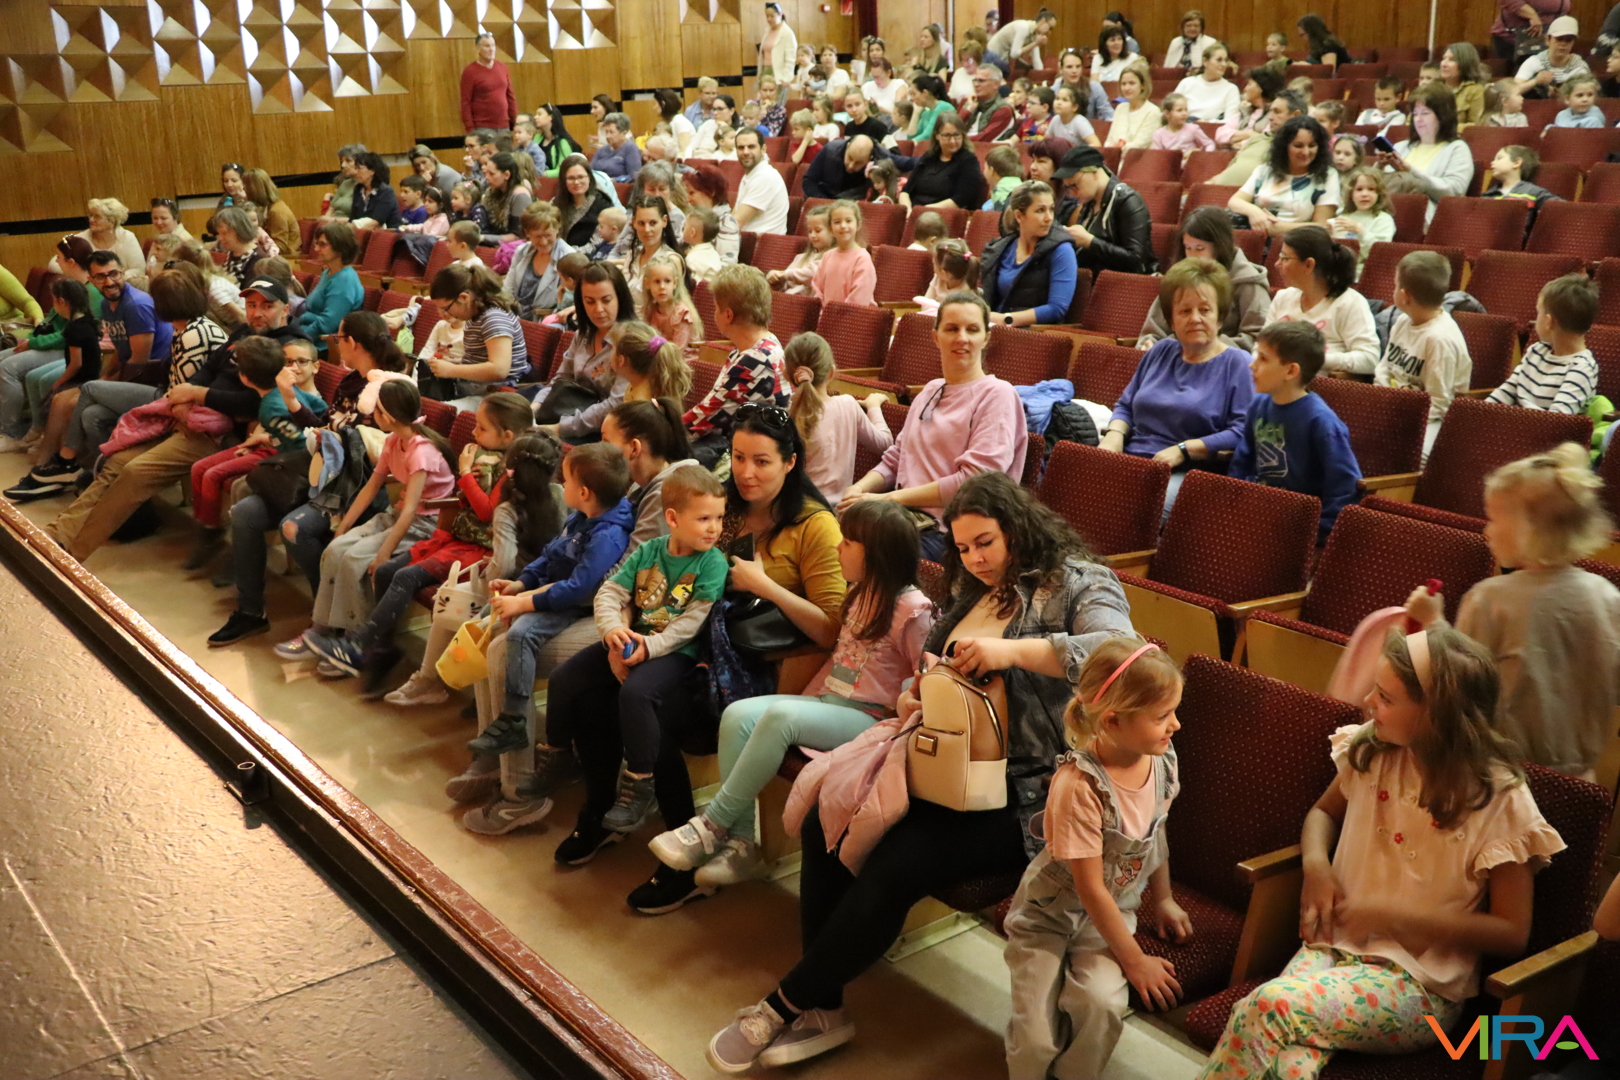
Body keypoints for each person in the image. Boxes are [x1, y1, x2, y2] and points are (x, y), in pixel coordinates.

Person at [708, 469, 1134, 1073]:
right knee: (830, 813)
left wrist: (1011, 651)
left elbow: (1119, 656)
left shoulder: (1079, 582)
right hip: (944, 759)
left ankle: (785, 1004)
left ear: (1019, 527)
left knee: (900, 861)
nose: (975, 559)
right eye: (962, 548)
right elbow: (931, 662)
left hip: (1033, 791)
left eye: (986, 542)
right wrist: (916, 693)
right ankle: (825, 1005)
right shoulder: (973, 586)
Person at [1201, 626, 1564, 1078]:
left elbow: (1511, 932)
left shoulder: (1499, 800)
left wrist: (1395, 916)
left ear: (1437, 716)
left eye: (1386, 697)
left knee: (1269, 1006)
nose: (1368, 701)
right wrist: (1316, 866)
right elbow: (1323, 813)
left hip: (1419, 986)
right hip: (1333, 949)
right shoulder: (1372, 749)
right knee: (1288, 1062)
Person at [648, 497, 928, 892]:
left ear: (876, 553)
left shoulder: (913, 608)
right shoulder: (860, 591)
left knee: (780, 718)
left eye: (848, 543)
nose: (837, 548)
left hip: (872, 718)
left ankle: (712, 823)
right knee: (738, 714)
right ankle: (741, 844)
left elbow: (924, 678)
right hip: (831, 703)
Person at [1003, 639, 1189, 1080]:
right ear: (1113, 720)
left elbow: (1155, 834)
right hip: (1048, 916)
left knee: (1102, 1003)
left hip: (1112, 911)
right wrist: (1135, 961)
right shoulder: (1080, 786)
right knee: (1036, 1038)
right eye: (1162, 716)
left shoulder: (1162, 761)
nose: (1176, 725)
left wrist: (1163, 899)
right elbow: (1089, 888)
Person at [1407, 443, 1620, 779]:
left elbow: (1457, 684)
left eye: (1493, 519)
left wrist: (1432, 621)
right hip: (1580, 782)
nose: (1486, 530)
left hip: (1501, 778)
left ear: (1527, 529)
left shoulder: (1490, 598)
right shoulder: (1607, 595)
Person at [207, 302, 409, 647]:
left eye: (338, 338)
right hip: (322, 474)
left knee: (294, 527)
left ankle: (328, 620)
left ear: (353, 343)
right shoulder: (350, 381)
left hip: (352, 486)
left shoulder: (387, 389)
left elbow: (371, 451)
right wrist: (291, 400)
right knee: (245, 511)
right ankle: (251, 611)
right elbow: (324, 429)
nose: (335, 343)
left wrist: (327, 438)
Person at [42, 272, 277, 559]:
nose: (257, 313)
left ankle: (69, 554)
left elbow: (254, 402)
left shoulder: (286, 346)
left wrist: (196, 394)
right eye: (251, 305)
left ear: (285, 308)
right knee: (117, 462)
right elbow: (209, 369)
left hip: (217, 433)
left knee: (134, 472)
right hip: (189, 417)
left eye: (267, 306)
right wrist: (187, 393)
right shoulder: (242, 333)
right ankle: (56, 534)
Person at [465, 442, 638, 761]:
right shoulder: (580, 516)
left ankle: (514, 718)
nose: (561, 484)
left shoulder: (608, 535)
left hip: (573, 605)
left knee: (521, 634)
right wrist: (520, 583)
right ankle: (485, 717)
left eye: (566, 480)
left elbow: (578, 588)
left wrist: (524, 603)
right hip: (551, 591)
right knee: (491, 613)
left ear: (584, 492)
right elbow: (549, 555)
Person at [838, 293, 1028, 561]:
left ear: (986, 338)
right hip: (906, 519)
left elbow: (972, 485)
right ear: (936, 337)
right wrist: (858, 490)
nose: (962, 338)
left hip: (955, 536)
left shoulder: (998, 394)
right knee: (827, 535)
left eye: (972, 329)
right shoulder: (930, 390)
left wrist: (887, 499)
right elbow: (896, 459)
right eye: (952, 329)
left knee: (859, 555)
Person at [1103, 259, 1255, 518]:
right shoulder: (1160, 351)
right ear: (1171, 321)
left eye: (1205, 310)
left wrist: (1184, 449)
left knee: (1138, 508)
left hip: (1191, 471)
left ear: (1220, 318)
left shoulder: (1238, 363)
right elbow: (1126, 406)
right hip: (1132, 457)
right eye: (1185, 311)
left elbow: (1243, 431)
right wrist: (1114, 435)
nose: (1195, 319)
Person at [183, 337, 326, 569]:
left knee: (214, 475)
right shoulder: (282, 392)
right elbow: (318, 412)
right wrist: (269, 437)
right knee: (199, 468)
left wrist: (272, 440)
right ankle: (206, 531)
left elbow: (300, 441)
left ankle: (215, 536)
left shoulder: (271, 407)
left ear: (244, 378)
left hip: (289, 460)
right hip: (277, 446)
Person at [1230, 321, 1361, 542]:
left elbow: (1344, 487)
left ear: (1291, 371)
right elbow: (1242, 461)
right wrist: (1234, 504)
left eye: (1263, 359)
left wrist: (1317, 534)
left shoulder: (1322, 422)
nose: (1252, 365)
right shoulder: (1259, 405)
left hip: (1298, 527)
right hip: (1257, 513)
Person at [683, 265, 788, 467]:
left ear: (728, 315)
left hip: (753, 457)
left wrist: (661, 425)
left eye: (716, 307)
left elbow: (701, 421)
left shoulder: (756, 360)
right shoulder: (764, 344)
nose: (714, 313)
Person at [1375, 250, 1472, 457]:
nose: (1393, 290)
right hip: (1392, 406)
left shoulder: (1439, 339)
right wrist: (1383, 399)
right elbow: (1384, 367)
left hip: (1431, 420)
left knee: (1414, 456)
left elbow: (1438, 402)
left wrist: (1398, 419)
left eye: (1395, 285)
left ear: (1404, 296)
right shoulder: (1403, 321)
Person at [778, 332, 892, 501]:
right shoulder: (848, 404)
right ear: (831, 372)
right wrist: (874, 407)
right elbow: (885, 444)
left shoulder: (785, 416)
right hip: (839, 510)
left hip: (797, 508)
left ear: (786, 375)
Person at [1138, 207, 1271, 352]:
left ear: (1220, 247)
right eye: (1188, 248)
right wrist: (1149, 343)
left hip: (1226, 359)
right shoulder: (1181, 278)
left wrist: (1206, 345)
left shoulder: (1248, 281)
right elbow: (1153, 332)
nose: (1192, 255)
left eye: (1200, 248)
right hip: (1176, 356)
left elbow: (1258, 338)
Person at [1269, 225, 1379, 378]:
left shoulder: (1349, 303)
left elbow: (1370, 358)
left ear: (1309, 264)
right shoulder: (1283, 297)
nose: (1277, 264)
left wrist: (1313, 360)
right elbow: (1261, 346)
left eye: (1285, 258)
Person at [1489, 273, 1599, 414]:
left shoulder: (1581, 368)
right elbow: (1505, 393)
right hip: (1514, 422)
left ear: (1548, 322)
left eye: (1538, 312)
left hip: (1537, 426)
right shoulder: (1536, 351)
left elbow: (1557, 420)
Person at [982, 182, 1079, 327]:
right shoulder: (1002, 248)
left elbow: (1057, 308)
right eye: (1040, 210)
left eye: (1051, 209)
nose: (1049, 218)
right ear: (1019, 215)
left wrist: (1006, 319)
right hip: (997, 327)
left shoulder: (1062, 250)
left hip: (1035, 333)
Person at [1376, 83, 1474, 225]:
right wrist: (1379, 167)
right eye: (1415, 114)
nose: (1418, 119)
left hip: (1428, 217)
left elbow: (1455, 192)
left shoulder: (1457, 148)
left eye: (1425, 113)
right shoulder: (1401, 146)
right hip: (1386, 212)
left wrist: (1411, 171)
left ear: (1443, 116)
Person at [1052, 145, 1156, 276]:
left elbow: (1136, 260)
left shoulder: (1128, 201)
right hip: (1095, 277)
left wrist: (1090, 241)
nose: (1072, 193)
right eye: (1068, 187)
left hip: (1126, 282)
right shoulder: (1089, 201)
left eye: (1074, 185)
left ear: (1095, 172)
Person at [1229, 114, 1339, 236]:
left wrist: (1280, 228)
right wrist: (1255, 212)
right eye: (1298, 146)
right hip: (1258, 237)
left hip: (1299, 241)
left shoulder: (1328, 175)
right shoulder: (1266, 170)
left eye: (1312, 146)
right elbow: (1235, 201)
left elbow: (1323, 226)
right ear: (1284, 147)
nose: (1306, 152)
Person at [48, 198, 148, 290]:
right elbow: (54, 264)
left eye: (97, 217)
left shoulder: (127, 237)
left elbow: (138, 269)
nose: (91, 220)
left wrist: (113, 279)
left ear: (111, 222)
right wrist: (87, 277)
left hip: (122, 288)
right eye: (90, 215)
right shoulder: (81, 239)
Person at [900, 115, 988, 211]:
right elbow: (906, 191)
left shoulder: (968, 161)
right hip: (915, 211)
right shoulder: (928, 157)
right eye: (947, 136)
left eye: (956, 135)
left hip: (944, 213)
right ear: (937, 136)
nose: (952, 141)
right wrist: (908, 210)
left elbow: (961, 200)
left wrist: (923, 210)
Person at [293, 222, 364, 343]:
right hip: (307, 331)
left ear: (340, 247)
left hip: (322, 343)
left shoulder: (344, 280)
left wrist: (299, 339)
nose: (316, 249)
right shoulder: (327, 272)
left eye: (322, 244)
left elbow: (328, 324)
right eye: (316, 243)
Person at [503, 202, 572, 321]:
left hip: (546, 323)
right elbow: (507, 291)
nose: (543, 242)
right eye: (538, 236)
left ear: (557, 229)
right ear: (527, 233)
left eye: (548, 235)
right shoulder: (521, 251)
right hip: (513, 318)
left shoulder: (568, 258)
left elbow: (568, 304)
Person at [1329, 168, 1396, 279]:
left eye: (1371, 189)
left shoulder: (1383, 219)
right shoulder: (1343, 216)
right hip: (1337, 272)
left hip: (1366, 274)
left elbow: (1380, 254)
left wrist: (1361, 231)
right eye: (1359, 189)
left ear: (1379, 194)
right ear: (1351, 194)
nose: (1365, 194)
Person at [810, 200, 876, 307]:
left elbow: (859, 300)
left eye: (848, 221)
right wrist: (822, 312)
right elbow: (817, 288)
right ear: (830, 229)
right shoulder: (827, 256)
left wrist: (838, 315)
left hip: (854, 315)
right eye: (837, 222)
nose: (843, 226)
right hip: (826, 315)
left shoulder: (862, 258)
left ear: (858, 225)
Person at [1515, 15, 1590, 96]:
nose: (1563, 44)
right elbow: (1513, 90)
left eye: (1568, 40)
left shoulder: (1579, 68)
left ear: (1573, 43)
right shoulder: (1534, 61)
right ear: (1547, 40)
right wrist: (1535, 81)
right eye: (1559, 39)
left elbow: (1587, 95)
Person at [553, 154, 617, 248]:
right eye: (571, 178)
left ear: (589, 177)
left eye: (581, 177)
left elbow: (597, 245)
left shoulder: (603, 205)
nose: (576, 182)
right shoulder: (556, 202)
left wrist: (568, 253)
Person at [734, 129, 790, 234]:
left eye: (751, 147)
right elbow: (734, 216)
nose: (745, 152)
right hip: (747, 240)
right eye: (741, 148)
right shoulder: (750, 175)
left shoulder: (765, 176)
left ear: (763, 149)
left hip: (763, 243)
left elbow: (737, 222)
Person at [682, 165, 741, 265]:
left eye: (692, 193)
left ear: (711, 192)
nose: (687, 199)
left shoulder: (726, 223)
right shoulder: (692, 218)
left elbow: (728, 265)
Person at [768, 204, 831, 296]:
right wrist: (777, 280)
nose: (813, 235)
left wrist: (785, 274)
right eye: (810, 231)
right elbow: (786, 285)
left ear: (833, 231)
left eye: (818, 231)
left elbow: (813, 274)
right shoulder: (800, 258)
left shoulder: (833, 258)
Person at [802, 136, 889, 201]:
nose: (851, 165)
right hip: (824, 200)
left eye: (858, 163)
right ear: (848, 146)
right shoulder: (829, 149)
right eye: (850, 158)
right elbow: (809, 180)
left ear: (869, 158)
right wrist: (825, 201)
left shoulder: (880, 162)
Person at [460, 32, 516, 133]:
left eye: (493, 45)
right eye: (487, 46)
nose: (492, 49)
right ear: (478, 48)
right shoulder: (470, 71)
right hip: (482, 127)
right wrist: (470, 129)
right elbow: (465, 102)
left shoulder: (502, 67)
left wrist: (516, 121)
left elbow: (510, 96)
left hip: (504, 125)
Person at [1173, 41, 1240, 122]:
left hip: (1214, 128)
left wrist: (1205, 123)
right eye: (1219, 60)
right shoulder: (1187, 83)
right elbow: (1171, 110)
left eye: (1225, 60)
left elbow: (1231, 121)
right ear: (1205, 61)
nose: (1224, 64)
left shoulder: (1231, 89)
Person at [1105, 63, 1161, 150]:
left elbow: (1140, 145)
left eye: (1131, 83)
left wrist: (1118, 149)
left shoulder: (1153, 111)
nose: (1126, 88)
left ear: (1142, 85)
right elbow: (1109, 141)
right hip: (1114, 156)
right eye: (1123, 84)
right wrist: (1111, 149)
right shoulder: (1120, 108)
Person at [984, 7, 1055, 76]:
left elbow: (1036, 60)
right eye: (1050, 28)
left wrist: (1042, 76)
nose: (1049, 32)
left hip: (1003, 58)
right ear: (1043, 21)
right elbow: (1014, 54)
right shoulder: (1024, 27)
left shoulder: (1034, 34)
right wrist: (1035, 43)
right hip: (992, 55)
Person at [479, 152, 533, 242]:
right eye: (486, 173)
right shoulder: (492, 191)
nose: (487, 177)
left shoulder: (520, 195)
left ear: (506, 175)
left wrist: (482, 238)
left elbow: (519, 237)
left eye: (491, 174)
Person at [1437, 42, 1489, 125]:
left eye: (1451, 60)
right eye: (1443, 59)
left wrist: (1445, 128)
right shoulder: (1434, 87)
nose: (1444, 64)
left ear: (1465, 64)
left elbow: (1477, 125)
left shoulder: (1475, 90)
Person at [1152, 93, 1217, 156]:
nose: (1184, 113)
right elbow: (1156, 156)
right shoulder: (1159, 134)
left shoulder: (1193, 129)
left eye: (1186, 110)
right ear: (1167, 113)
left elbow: (1210, 144)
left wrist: (1204, 155)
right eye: (1179, 110)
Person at [591, 112, 642, 183]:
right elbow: (590, 172)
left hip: (618, 187)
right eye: (606, 132)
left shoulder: (630, 148)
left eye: (611, 132)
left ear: (623, 133)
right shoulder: (601, 150)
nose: (607, 136)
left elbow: (634, 176)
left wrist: (612, 180)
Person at [690, 94, 741, 159]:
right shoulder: (707, 124)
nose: (715, 113)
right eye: (714, 109)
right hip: (700, 159)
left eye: (720, 109)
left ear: (731, 111)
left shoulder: (739, 131)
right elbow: (692, 146)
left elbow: (733, 154)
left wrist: (725, 129)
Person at [759, 1, 799, 82]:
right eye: (767, 16)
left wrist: (786, 78)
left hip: (779, 72)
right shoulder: (767, 31)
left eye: (772, 16)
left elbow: (790, 58)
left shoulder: (787, 33)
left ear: (780, 15)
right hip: (766, 69)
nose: (769, 19)